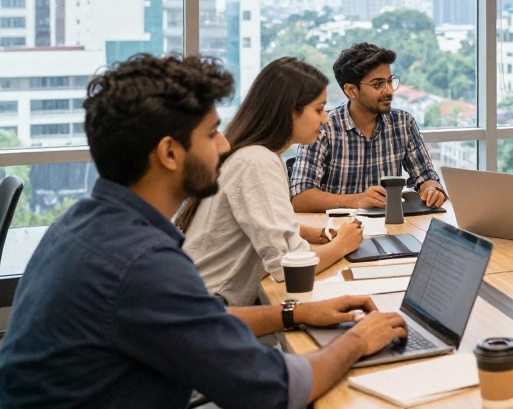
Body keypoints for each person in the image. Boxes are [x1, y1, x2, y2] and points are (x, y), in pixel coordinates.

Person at [0, 54, 407, 409]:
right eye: (212, 133)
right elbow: (273, 389)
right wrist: (357, 341)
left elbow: (202, 320)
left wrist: (294, 311)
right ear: (170, 153)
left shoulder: (81, 226)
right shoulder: (142, 265)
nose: (225, 146)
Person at [177, 57, 365, 307]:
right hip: (212, 309)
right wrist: (343, 244)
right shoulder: (258, 162)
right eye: (318, 110)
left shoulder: (252, 155)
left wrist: (313, 233)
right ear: (290, 111)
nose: (325, 120)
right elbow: (290, 267)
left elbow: (256, 222)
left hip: (206, 301)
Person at [290, 42, 446, 213]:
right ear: (351, 90)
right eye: (378, 84)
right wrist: (357, 200)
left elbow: (426, 176)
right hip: (337, 232)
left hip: (389, 228)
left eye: (390, 81)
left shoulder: (403, 123)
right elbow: (300, 198)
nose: (388, 91)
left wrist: (431, 188)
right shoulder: (324, 128)